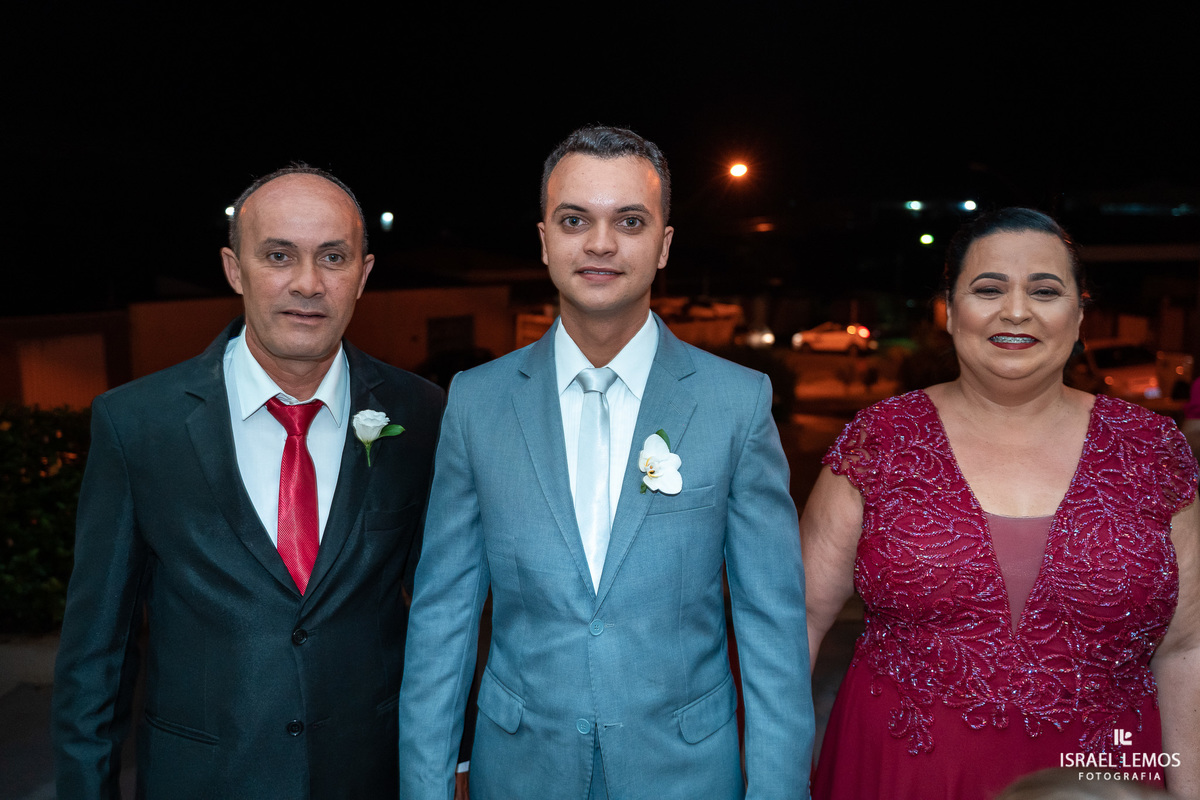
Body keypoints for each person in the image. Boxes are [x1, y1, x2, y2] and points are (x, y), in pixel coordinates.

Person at [397, 125, 813, 799]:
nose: (599, 243)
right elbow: (443, 619)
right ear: (544, 240)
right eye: (574, 220)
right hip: (521, 770)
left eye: (628, 220)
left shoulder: (736, 403)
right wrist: (424, 787)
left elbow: (772, 633)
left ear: (664, 244)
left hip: (684, 774)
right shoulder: (476, 403)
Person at [52, 165, 445, 798]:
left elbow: (442, 616)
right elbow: (98, 652)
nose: (308, 284)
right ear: (235, 269)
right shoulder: (137, 425)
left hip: (369, 776)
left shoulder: (423, 415)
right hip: (202, 779)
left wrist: (453, 761)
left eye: (333, 257)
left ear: (364, 275)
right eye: (279, 255)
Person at [802, 207, 1200, 799]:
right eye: (988, 289)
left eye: (1045, 290)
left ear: (1080, 312)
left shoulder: (1152, 451)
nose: (1017, 311)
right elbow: (797, 624)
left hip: (1103, 781)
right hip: (898, 773)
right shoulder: (879, 441)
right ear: (949, 308)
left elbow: (1187, 649)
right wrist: (770, 781)